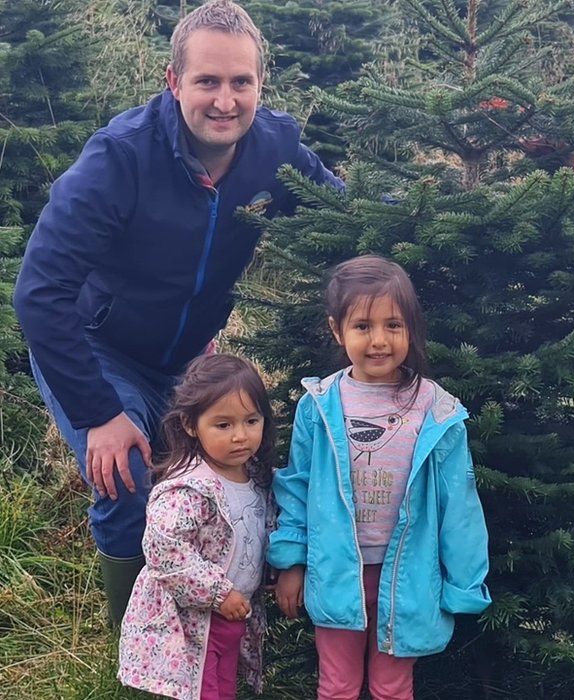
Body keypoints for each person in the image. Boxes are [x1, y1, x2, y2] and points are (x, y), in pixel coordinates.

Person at [12, 0, 343, 623]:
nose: (225, 101)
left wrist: (430, 215)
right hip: (99, 350)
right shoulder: (119, 159)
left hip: (190, 359)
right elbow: (39, 292)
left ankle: (212, 617)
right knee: (127, 477)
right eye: (207, 81)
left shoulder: (275, 147)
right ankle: (134, 642)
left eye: (241, 82)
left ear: (259, 85)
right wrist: (99, 413)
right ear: (173, 81)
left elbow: (342, 213)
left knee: (224, 474)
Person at [269, 255, 491, 700]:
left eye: (393, 325)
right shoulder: (319, 406)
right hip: (334, 573)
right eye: (363, 326)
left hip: (407, 578)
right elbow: (296, 487)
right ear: (337, 330)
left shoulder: (437, 411)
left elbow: (459, 504)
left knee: (392, 688)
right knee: (337, 687)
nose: (379, 341)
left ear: (410, 328)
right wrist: (291, 563)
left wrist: (464, 584)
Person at [117, 353, 276, 700]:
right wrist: (218, 594)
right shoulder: (190, 488)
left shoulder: (257, 479)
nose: (240, 436)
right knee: (202, 690)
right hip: (193, 621)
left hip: (236, 612)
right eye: (223, 425)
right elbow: (166, 551)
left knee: (223, 687)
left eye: (251, 421)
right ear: (191, 425)